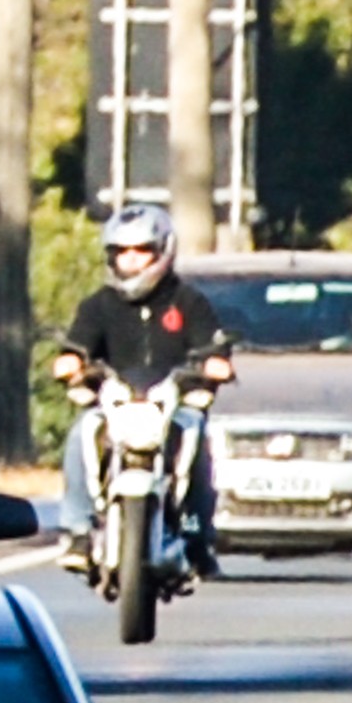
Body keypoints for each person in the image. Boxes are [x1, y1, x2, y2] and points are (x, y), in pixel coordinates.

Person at [52, 204, 232, 573]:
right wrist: (70, 362)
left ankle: (197, 535)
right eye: (122, 252)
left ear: (163, 250)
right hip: (115, 403)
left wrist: (215, 364)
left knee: (196, 440)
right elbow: (76, 346)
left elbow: (212, 346)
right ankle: (79, 531)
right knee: (81, 433)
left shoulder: (189, 301)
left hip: (173, 403)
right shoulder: (98, 305)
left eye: (141, 250)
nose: (131, 260)